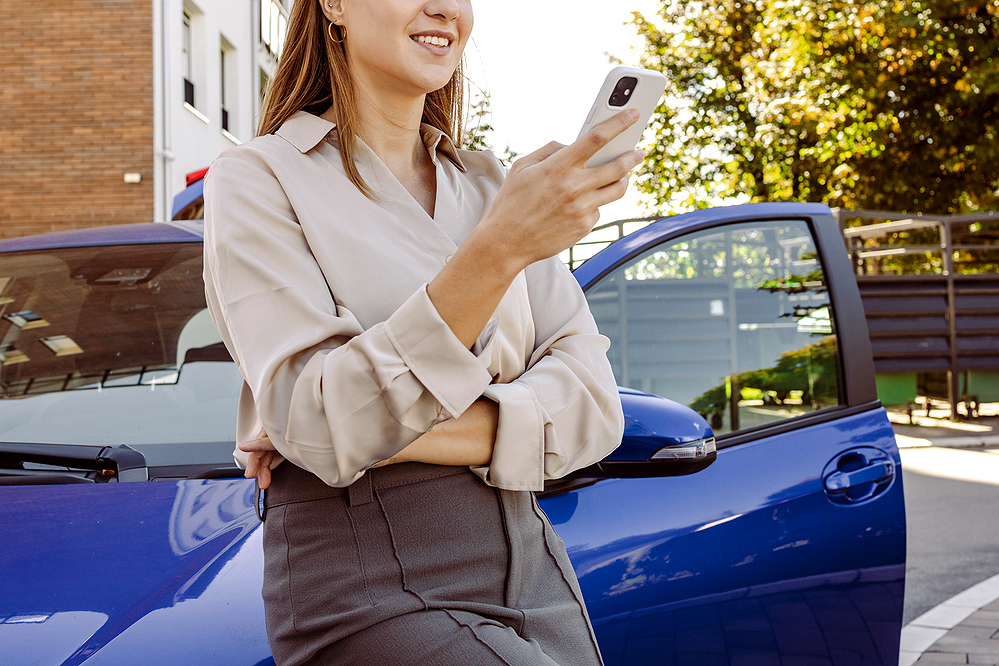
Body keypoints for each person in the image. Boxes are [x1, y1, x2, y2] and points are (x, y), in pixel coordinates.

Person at [202, 1, 644, 664]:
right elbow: (319, 423)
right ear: (335, 6)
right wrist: (494, 254)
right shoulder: (259, 178)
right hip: (371, 582)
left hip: (537, 568)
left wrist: (369, 432)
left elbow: (591, 408)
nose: (445, 7)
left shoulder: (495, 185)